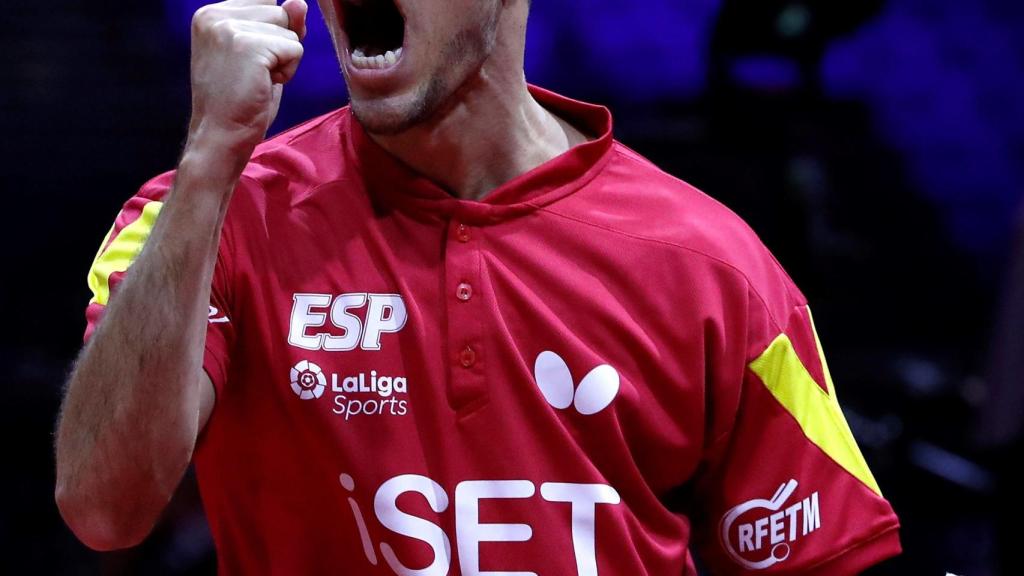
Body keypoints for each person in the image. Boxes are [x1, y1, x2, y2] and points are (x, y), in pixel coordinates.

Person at [54, 0, 901, 573]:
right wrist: (210, 158)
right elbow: (102, 508)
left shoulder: (717, 268)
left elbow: (832, 556)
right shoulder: (201, 218)